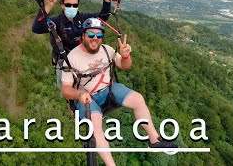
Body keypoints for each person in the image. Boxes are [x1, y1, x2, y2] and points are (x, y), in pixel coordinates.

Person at [61, 18, 178, 165]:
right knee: (96, 127)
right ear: (83, 36)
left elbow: (125, 66)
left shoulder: (106, 50)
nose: (95, 39)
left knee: (138, 99)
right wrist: (79, 94)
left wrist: (125, 56)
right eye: (91, 35)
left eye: (99, 35)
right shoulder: (72, 58)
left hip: (108, 89)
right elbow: (65, 89)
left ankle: (154, 139)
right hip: (87, 97)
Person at [32, 0, 115, 88]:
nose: (72, 7)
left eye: (75, 5)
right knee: (67, 90)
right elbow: (37, 28)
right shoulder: (57, 21)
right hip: (64, 61)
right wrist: (48, 5)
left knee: (86, 86)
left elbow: (102, 18)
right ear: (62, 5)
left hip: (82, 57)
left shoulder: (82, 18)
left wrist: (107, 0)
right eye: (68, 5)